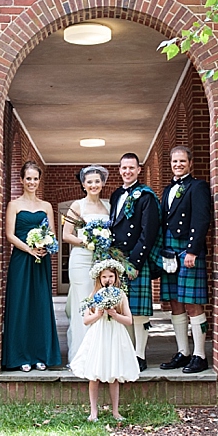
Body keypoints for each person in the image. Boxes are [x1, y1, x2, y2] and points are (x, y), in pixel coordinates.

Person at [1, 161, 62, 372]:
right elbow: (9, 235)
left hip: (41, 261)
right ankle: (20, 356)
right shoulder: (14, 205)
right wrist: (29, 249)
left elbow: (53, 234)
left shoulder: (46, 207)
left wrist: (46, 246)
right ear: (22, 180)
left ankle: (40, 354)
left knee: (40, 306)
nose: (32, 182)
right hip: (22, 260)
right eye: (28, 178)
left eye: (35, 178)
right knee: (20, 306)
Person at [159, 145, 213, 374]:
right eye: (174, 162)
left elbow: (201, 219)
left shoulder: (197, 186)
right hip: (170, 251)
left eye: (182, 161)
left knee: (192, 303)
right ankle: (183, 353)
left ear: (190, 163)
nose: (178, 165)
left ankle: (200, 355)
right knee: (175, 302)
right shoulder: (167, 189)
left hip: (188, 251)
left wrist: (192, 250)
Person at [108, 153, 161, 371]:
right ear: (119, 170)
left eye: (131, 167)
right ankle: (128, 351)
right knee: (123, 307)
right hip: (116, 257)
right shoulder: (115, 194)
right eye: (123, 168)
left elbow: (148, 232)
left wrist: (135, 263)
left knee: (139, 311)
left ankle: (140, 355)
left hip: (135, 258)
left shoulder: (146, 195)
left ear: (139, 169)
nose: (127, 171)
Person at [69, 259, 139, 421]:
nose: (108, 280)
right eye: (104, 277)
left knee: (113, 373)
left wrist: (115, 314)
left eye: (111, 276)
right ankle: (93, 411)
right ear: (99, 279)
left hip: (115, 333)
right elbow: (86, 320)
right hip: (99, 334)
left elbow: (129, 320)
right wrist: (97, 314)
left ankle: (115, 411)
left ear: (116, 278)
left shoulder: (120, 295)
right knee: (94, 374)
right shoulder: (93, 295)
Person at [62, 165, 110, 362]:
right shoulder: (77, 205)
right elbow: (66, 235)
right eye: (89, 182)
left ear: (103, 183)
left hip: (102, 260)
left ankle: (99, 354)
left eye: (97, 181)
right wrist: (87, 242)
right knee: (84, 304)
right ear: (83, 184)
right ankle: (82, 355)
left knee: (101, 303)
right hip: (81, 260)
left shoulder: (107, 206)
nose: (93, 185)